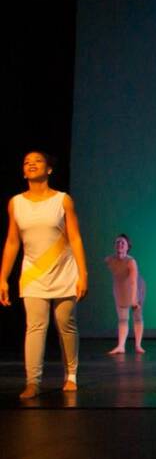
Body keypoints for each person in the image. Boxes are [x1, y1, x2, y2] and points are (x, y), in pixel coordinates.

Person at [0, 151, 88, 399]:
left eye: (37, 161)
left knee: (66, 324)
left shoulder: (62, 200)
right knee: (35, 326)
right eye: (26, 162)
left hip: (63, 270)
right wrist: (3, 277)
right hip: (33, 273)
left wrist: (83, 273)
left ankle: (71, 374)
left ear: (49, 169)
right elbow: (12, 242)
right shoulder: (15, 203)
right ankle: (32, 381)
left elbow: (75, 238)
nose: (31, 164)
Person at [105, 233, 146, 354]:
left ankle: (138, 345)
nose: (120, 244)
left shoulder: (131, 261)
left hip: (137, 287)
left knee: (137, 316)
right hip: (121, 289)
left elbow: (133, 281)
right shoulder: (109, 260)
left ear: (128, 246)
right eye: (117, 242)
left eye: (123, 243)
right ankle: (121, 346)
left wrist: (134, 299)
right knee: (122, 318)